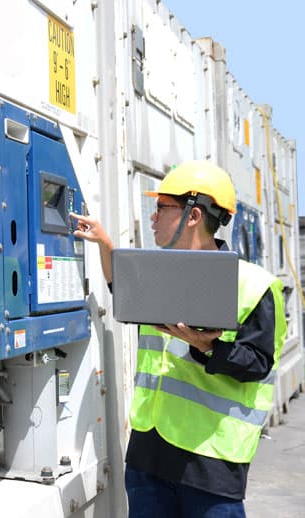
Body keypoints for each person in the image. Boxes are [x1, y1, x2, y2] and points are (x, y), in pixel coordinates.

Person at [70, 160, 286, 518]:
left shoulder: (254, 284)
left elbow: (258, 365)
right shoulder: (158, 273)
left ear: (193, 215)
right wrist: (104, 243)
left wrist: (209, 348)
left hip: (211, 467)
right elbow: (121, 290)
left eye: (161, 208)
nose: (152, 217)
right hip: (148, 459)